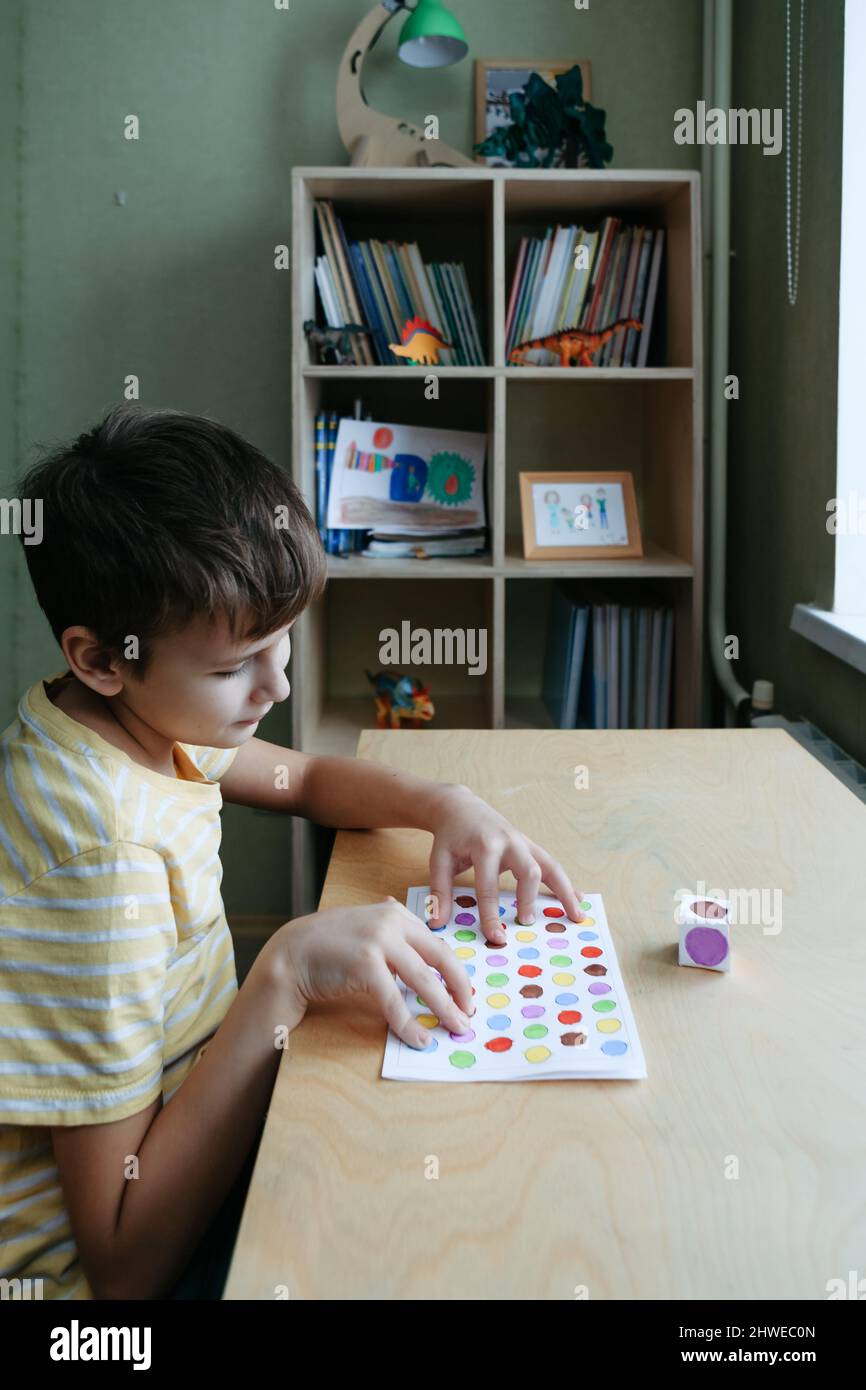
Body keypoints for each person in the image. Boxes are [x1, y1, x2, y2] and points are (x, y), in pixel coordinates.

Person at [0, 405, 584, 1300]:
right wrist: (285, 969)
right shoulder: (99, 857)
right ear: (100, 659)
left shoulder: (124, 719)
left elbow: (303, 781)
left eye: (282, 644)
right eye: (237, 666)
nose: (276, 685)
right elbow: (121, 1263)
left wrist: (445, 803)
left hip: (184, 1130)